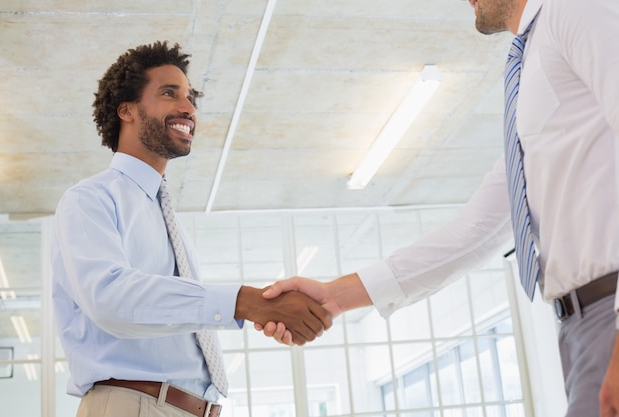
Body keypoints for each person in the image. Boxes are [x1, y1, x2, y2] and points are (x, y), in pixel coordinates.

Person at [257, 0, 619, 416]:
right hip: (579, 329)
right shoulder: (529, 65)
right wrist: (335, 297)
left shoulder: (578, 9)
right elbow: (477, 230)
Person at [50, 41, 332, 417]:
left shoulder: (168, 218)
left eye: (191, 98)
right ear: (127, 110)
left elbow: (174, 313)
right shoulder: (90, 199)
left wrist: (265, 309)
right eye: (170, 94)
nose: (189, 108)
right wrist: (244, 302)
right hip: (131, 405)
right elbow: (110, 298)